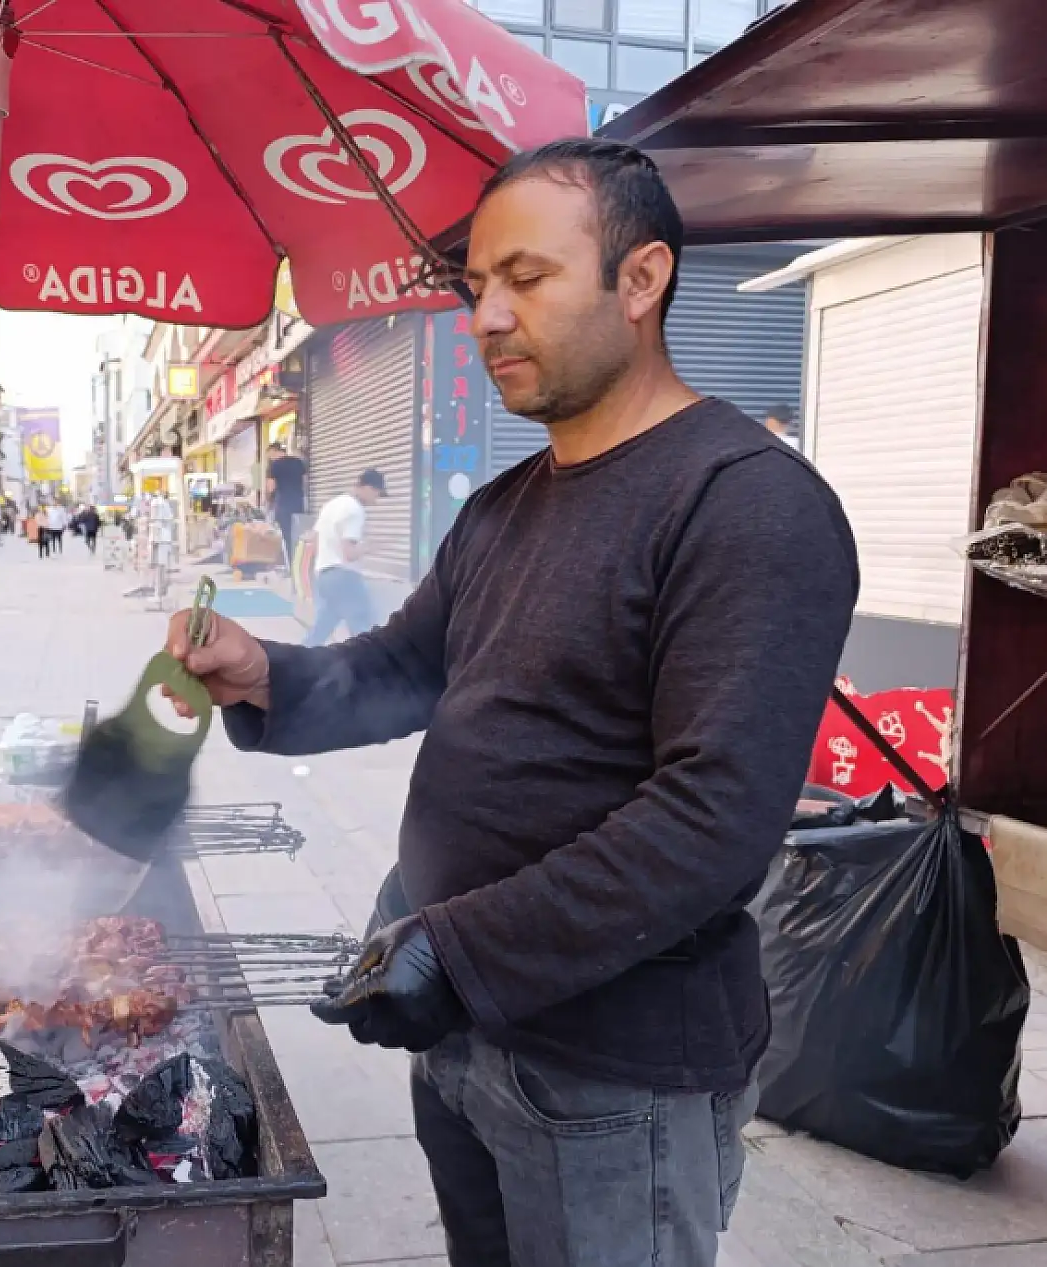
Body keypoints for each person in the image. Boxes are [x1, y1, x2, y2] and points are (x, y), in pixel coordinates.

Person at [160, 139, 858, 1267]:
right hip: (463, 1035)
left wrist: (458, 951)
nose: (485, 315)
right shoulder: (501, 507)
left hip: (610, 1072)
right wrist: (266, 673)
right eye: (474, 285)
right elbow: (402, 668)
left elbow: (712, 822)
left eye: (525, 280)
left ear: (641, 280)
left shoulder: (744, 507)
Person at [304, 470, 385, 647]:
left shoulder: (332, 504)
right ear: (368, 488)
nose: (376, 500)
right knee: (364, 628)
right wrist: (368, 547)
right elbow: (349, 553)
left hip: (324, 575)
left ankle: (296, 662)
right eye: (377, 493)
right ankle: (370, 671)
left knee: (322, 628)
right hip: (344, 577)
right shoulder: (355, 510)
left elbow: (314, 540)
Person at [265, 441, 307, 567]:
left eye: (269, 455)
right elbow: (305, 483)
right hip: (298, 503)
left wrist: (269, 500)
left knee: (286, 537)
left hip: (283, 505)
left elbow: (271, 488)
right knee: (299, 535)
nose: (270, 458)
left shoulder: (275, 465)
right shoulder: (298, 462)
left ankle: (291, 565)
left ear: (274, 451)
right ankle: (301, 564)